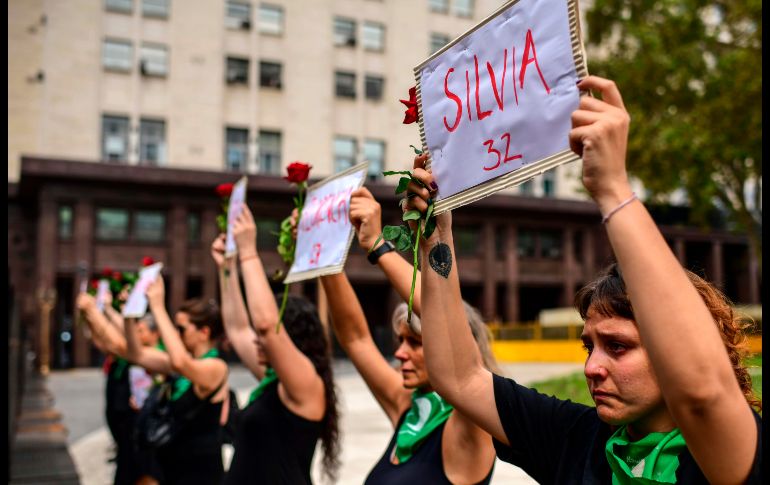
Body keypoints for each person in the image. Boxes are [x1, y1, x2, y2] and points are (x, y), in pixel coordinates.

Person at [403, 75, 762, 483]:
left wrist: (612, 189)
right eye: (589, 346)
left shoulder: (728, 450)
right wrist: (435, 239)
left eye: (618, 346)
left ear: (673, 348)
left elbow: (702, 395)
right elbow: (460, 378)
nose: (592, 367)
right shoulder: (575, 438)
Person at [310, 187, 498, 484]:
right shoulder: (409, 407)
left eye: (415, 342)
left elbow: (443, 315)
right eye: (400, 341)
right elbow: (356, 339)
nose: (399, 354)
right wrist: (324, 251)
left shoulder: (472, 424)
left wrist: (377, 245)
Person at [210, 203, 340, 485]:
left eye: (267, 338)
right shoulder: (275, 379)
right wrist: (227, 268)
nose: (256, 340)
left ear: (291, 340)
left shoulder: (306, 383)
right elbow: (238, 329)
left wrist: (248, 252)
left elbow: (266, 327)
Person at [125, 277, 229, 485]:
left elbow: (181, 363)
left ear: (204, 332)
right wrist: (130, 313)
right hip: (173, 468)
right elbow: (136, 354)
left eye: (181, 329)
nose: (175, 334)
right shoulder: (185, 362)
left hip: (199, 474)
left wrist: (158, 306)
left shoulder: (216, 367)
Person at [77, 292, 160, 485]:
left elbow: (119, 344)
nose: (137, 335)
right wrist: (92, 317)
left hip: (148, 427)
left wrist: (95, 311)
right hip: (135, 421)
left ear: (155, 333)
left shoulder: (157, 354)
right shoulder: (141, 351)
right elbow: (110, 344)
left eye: (142, 331)